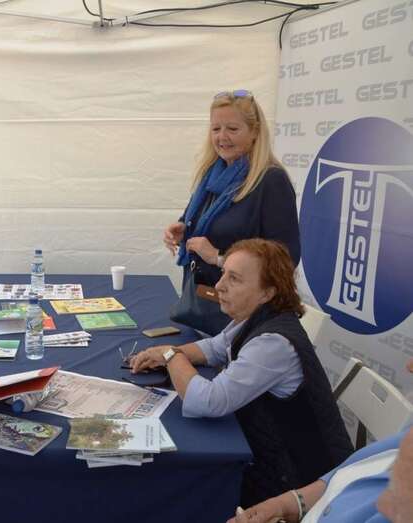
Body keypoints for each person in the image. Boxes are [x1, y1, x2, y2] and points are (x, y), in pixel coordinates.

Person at [131, 238, 353, 507]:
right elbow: (215, 347)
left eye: (234, 279)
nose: (219, 285)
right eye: (224, 274)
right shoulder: (256, 317)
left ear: (267, 293)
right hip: (276, 458)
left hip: (300, 480)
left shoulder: (274, 343)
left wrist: (170, 355)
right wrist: (167, 354)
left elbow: (208, 401)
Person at [165, 90, 300, 335]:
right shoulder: (212, 175)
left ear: (255, 131)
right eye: (216, 129)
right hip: (205, 308)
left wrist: (218, 257)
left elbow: (285, 261)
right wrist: (183, 227)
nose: (222, 137)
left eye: (232, 129)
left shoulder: (271, 181)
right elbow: (205, 222)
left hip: (243, 322)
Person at [228, 358, 413, 523]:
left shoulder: (273, 341)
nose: (410, 366)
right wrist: (288, 504)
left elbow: (212, 400)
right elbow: (349, 472)